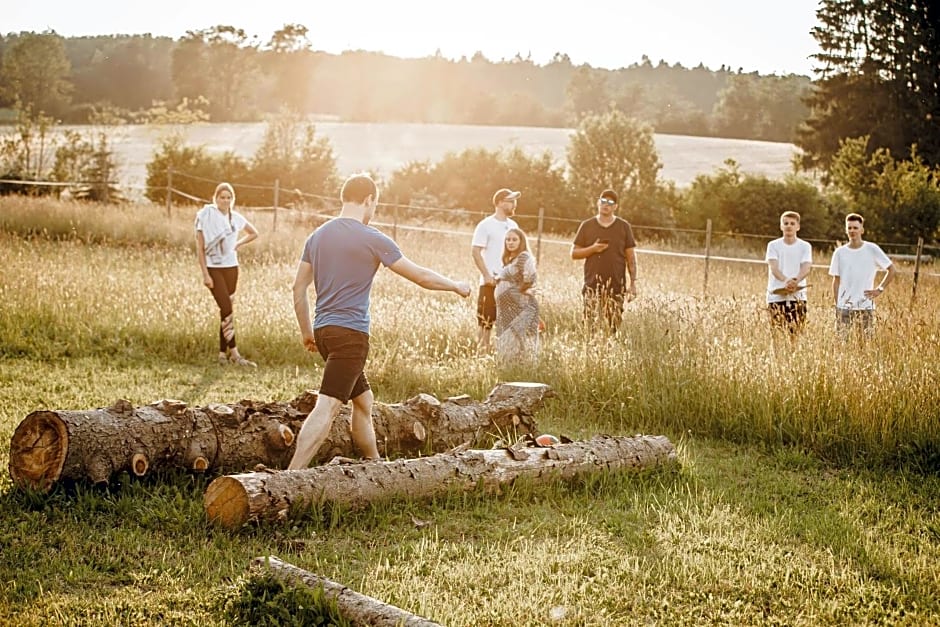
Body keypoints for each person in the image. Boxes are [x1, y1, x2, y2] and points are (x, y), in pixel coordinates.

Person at [288, 173, 470, 469]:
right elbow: (421, 276)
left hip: (324, 332)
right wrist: (456, 285)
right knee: (329, 404)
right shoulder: (372, 238)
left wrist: (307, 332)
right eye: (375, 205)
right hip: (351, 335)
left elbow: (298, 287)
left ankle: (374, 464)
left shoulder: (317, 235)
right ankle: (291, 474)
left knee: (364, 400)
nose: (374, 212)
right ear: (369, 199)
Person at [194, 181, 259, 367]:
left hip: (232, 268)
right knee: (227, 308)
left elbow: (254, 233)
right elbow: (200, 247)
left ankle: (222, 354)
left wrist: (238, 244)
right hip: (214, 269)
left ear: (232, 199)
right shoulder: (205, 216)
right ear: (216, 198)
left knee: (226, 312)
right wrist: (205, 274)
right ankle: (236, 354)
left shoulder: (236, 218)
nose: (225, 200)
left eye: (228, 197)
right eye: (222, 197)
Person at [570, 189, 638, 332]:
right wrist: (593, 249)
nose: (606, 205)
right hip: (592, 285)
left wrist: (633, 284)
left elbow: (631, 258)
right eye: (603, 201)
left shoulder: (623, 226)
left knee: (613, 327)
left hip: (616, 285)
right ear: (598, 203)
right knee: (590, 327)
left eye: (610, 202)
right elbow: (574, 253)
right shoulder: (587, 225)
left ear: (615, 207)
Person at [828, 212, 896, 339]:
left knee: (865, 344)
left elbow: (891, 269)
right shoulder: (839, 253)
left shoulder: (872, 249)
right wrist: (838, 305)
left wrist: (879, 289)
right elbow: (836, 281)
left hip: (865, 306)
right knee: (842, 344)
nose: (852, 231)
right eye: (849, 228)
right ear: (846, 230)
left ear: (862, 230)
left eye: (855, 227)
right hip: (844, 307)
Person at [471, 188, 520, 351]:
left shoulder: (513, 225)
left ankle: (504, 355)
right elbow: (475, 251)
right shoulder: (486, 225)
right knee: (486, 322)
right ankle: (482, 353)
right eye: (510, 201)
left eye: (514, 201)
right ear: (499, 202)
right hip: (490, 283)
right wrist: (486, 275)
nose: (514, 204)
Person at [765, 211, 813, 341]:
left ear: (798, 227)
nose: (789, 226)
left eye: (792, 223)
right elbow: (773, 267)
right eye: (785, 223)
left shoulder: (805, 246)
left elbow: (806, 267)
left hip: (797, 297)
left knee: (796, 336)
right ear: (781, 226)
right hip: (776, 296)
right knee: (777, 336)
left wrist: (796, 281)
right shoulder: (773, 245)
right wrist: (786, 280)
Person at [495, 228, 540, 365]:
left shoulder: (523, 257)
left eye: (514, 239)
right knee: (508, 342)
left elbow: (531, 277)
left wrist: (521, 289)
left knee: (520, 341)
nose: (510, 242)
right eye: (508, 239)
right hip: (506, 310)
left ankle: (523, 372)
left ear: (521, 241)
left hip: (521, 308)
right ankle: (510, 371)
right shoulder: (509, 260)